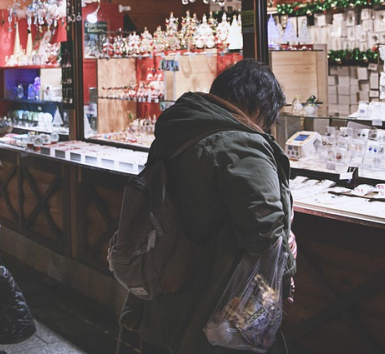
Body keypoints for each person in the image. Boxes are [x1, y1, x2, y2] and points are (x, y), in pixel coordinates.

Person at [122, 59, 296, 354]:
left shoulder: (181, 129)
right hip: (216, 301)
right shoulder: (243, 145)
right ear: (257, 108)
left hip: (167, 286)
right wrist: (286, 273)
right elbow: (265, 231)